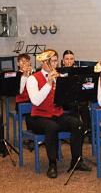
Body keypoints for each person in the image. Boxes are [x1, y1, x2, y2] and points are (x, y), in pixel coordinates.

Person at [26, 50, 89, 179]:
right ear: (44, 62)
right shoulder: (33, 78)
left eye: (55, 61)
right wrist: (49, 83)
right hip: (38, 117)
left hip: (56, 114)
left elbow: (64, 101)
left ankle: (77, 160)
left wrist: (71, 88)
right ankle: (52, 163)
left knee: (78, 124)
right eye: (52, 61)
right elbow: (36, 101)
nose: (55, 64)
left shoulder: (59, 76)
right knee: (52, 127)